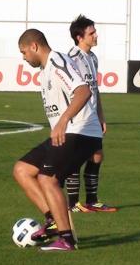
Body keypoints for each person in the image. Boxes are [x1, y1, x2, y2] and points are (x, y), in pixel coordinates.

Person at [12, 29, 103, 251]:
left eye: (24, 52)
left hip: (81, 132)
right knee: (22, 170)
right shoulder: (45, 70)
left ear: (34, 46)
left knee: (47, 179)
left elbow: (83, 91)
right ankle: (53, 221)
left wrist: (63, 121)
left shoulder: (58, 61)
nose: (23, 58)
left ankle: (66, 239)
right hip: (68, 132)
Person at [66, 15, 116, 213]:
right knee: (75, 159)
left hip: (92, 116)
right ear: (80, 37)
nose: (96, 35)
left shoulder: (92, 58)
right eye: (92, 32)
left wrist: (101, 116)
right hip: (78, 117)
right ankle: (72, 204)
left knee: (96, 156)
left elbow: (95, 89)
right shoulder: (72, 58)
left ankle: (92, 201)